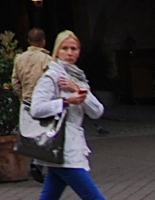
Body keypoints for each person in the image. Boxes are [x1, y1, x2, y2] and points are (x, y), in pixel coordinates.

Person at [29, 31, 108, 200]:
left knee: (50, 196)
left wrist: (77, 89)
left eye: (74, 49)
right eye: (65, 48)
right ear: (57, 51)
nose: (70, 53)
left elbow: (97, 111)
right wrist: (65, 102)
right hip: (61, 146)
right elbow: (36, 108)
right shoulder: (51, 77)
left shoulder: (77, 78)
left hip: (69, 146)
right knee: (94, 197)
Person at [13, 29, 50, 102]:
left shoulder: (19, 59)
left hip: (26, 100)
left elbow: (15, 82)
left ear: (29, 41)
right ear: (44, 41)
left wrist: (23, 95)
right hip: (43, 100)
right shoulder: (47, 59)